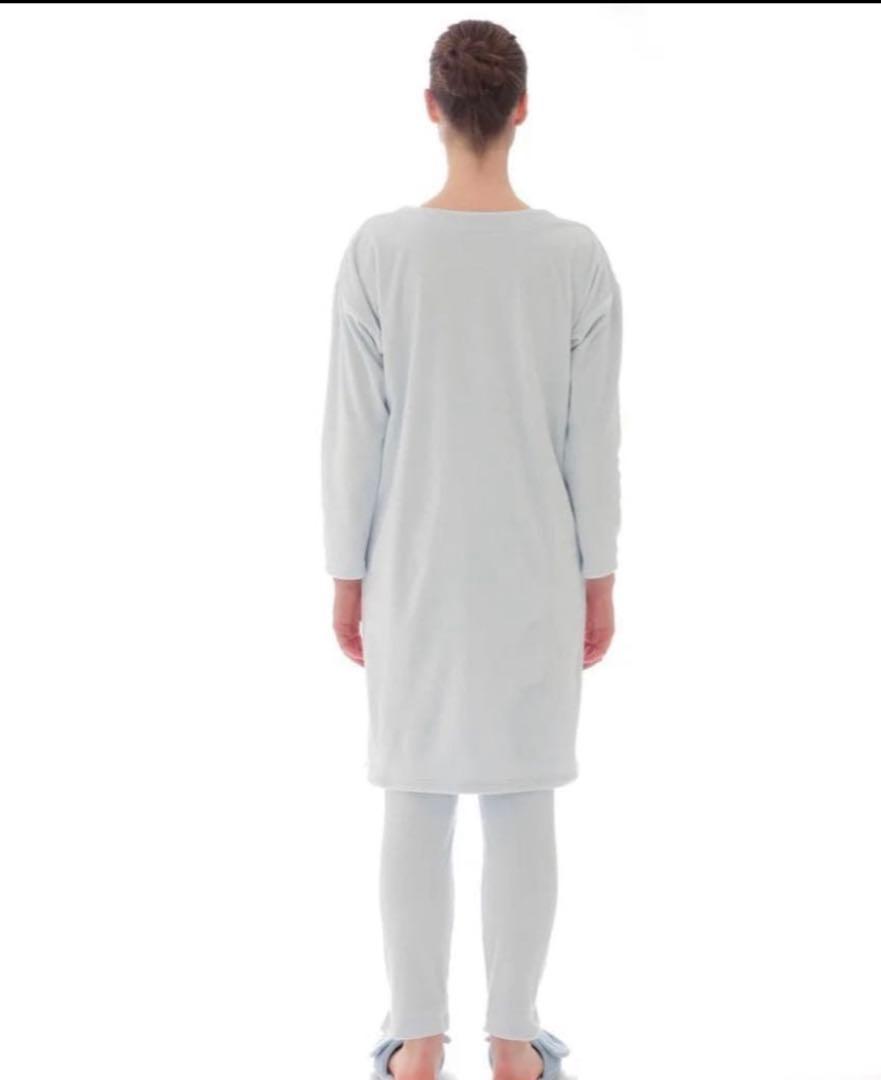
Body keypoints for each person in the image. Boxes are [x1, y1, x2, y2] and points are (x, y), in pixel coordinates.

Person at [321, 19, 622, 1080]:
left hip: (410, 566)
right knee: (520, 793)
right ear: (522, 108)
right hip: (537, 566)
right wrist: (599, 580)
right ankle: (512, 1040)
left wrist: (347, 577)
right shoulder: (575, 258)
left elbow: (353, 434)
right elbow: (593, 441)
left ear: (433, 108)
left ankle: (415, 1041)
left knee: (414, 791)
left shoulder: (379, 252)